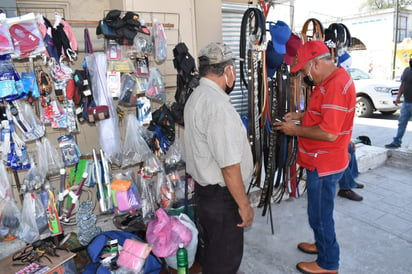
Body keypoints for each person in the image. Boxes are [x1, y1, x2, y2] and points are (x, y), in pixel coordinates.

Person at [274, 40, 356, 274]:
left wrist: (295, 130)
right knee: (318, 213)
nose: (305, 77)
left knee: (320, 216)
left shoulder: (334, 86)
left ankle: (329, 263)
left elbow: (329, 133)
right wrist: (300, 116)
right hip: (322, 160)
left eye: (305, 72)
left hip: (325, 162)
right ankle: (322, 246)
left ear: (316, 64)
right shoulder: (329, 81)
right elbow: (323, 115)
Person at [183, 42, 254, 274]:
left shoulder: (196, 97)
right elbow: (230, 167)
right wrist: (244, 205)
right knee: (225, 262)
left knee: (213, 256)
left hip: (206, 197)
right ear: (228, 71)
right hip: (222, 200)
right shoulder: (217, 106)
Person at [385, 55, 412, 149]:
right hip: (406, 102)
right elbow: (402, 85)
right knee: (401, 123)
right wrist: (398, 97)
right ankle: (396, 142)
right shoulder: (407, 70)